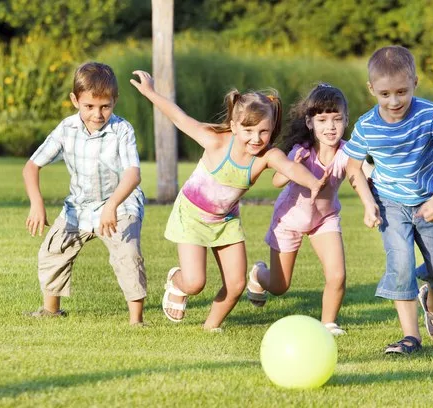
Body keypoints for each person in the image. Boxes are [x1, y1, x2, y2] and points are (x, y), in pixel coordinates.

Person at [130, 70, 327, 331]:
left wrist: (313, 182)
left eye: (263, 131)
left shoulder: (267, 156)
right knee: (195, 282)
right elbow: (179, 117)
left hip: (226, 221)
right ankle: (178, 282)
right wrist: (151, 93)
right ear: (234, 126)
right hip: (191, 216)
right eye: (248, 130)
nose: (256, 138)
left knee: (235, 285)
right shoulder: (215, 141)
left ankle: (210, 328)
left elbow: (289, 168)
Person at [344, 45, 433, 354]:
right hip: (390, 204)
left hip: (429, 202)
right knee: (400, 264)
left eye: (402, 91)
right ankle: (411, 337)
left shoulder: (428, 114)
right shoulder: (367, 126)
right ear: (372, 89)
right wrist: (368, 203)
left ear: (415, 83)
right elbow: (352, 166)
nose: (394, 101)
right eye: (385, 94)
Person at [22, 62, 147, 326]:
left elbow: (133, 174)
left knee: (127, 254)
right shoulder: (66, 129)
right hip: (78, 207)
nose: (98, 114)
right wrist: (37, 203)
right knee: (53, 250)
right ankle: (51, 310)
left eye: (105, 106)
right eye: (89, 106)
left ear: (115, 101)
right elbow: (32, 166)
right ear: (75, 100)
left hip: (120, 204)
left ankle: (137, 320)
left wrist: (112, 205)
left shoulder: (122, 130)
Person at [246, 83, 373, 336]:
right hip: (289, 219)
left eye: (337, 119)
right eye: (322, 120)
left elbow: (362, 174)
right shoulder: (301, 151)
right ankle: (258, 274)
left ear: (346, 120)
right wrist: (292, 165)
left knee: (337, 275)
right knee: (280, 286)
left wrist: (372, 201)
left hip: (324, 220)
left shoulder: (348, 152)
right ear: (309, 122)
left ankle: (328, 324)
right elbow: (277, 181)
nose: (331, 127)